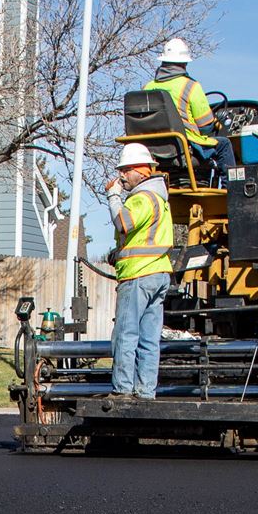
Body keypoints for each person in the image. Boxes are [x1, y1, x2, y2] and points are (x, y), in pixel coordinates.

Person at [109, 142, 174, 400]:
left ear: (143, 171)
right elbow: (141, 238)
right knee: (149, 339)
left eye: (126, 170)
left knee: (126, 334)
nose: (122, 175)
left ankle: (123, 390)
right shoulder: (159, 197)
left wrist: (113, 198)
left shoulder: (142, 197)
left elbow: (123, 223)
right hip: (158, 274)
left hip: (138, 275)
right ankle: (145, 391)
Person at [142, 38, 234, 185]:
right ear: (184, 63)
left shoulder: (147, 88)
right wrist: (215, 123)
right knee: (224, 145)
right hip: (185, 148)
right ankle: (229, 192)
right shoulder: (191, 86)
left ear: (163, 62)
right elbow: (205, 126)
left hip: (153, 153)